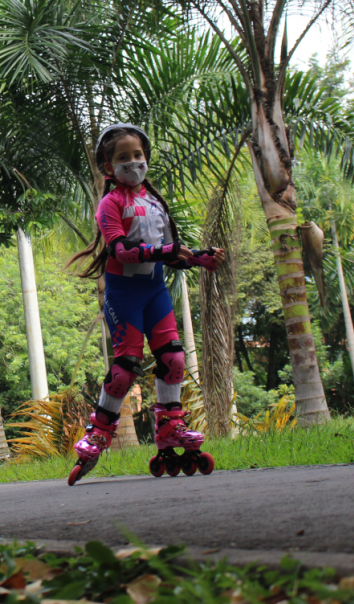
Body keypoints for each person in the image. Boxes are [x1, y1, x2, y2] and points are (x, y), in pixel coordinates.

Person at [66, 123, 227, 485]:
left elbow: (170, 254)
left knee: (173, 359)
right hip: (124, 293)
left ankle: (170, 427)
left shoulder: (155, 203)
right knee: (126, 368)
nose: (133, 162)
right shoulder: (110, 204)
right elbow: (121, 251)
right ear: (108, 167)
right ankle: (98, 432)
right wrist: (169, 250)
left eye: (138, 155)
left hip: (154, 290)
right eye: (124, 157)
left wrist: (200, 258)